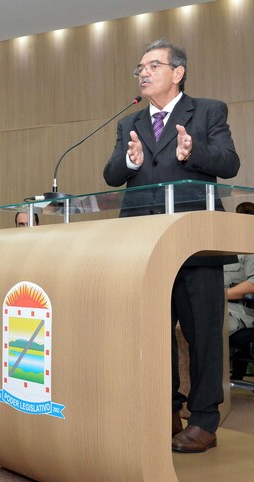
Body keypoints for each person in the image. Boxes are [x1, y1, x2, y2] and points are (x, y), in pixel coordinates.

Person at [102, 39, 240, 453]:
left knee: (203, 336)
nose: (143, 73)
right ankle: (164, 410)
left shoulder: (208, 111)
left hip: (194, 246)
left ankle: (204, 420)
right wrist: (130, 161)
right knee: (151, 336)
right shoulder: (129, 123)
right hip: (142, 249)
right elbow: (111, 175)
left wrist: (194, 151)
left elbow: (230, 163)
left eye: (153, 66)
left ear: (178, 72)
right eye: (140, 68)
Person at [226, 202, 254, 380]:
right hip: (219, 307)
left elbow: (252, 285)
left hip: (241, 313)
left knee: (205, 325)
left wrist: (220, 295)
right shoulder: (225, 249)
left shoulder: (250, 250)